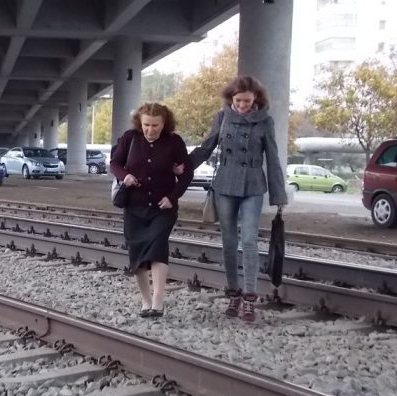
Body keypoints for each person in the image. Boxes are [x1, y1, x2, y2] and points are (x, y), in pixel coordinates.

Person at [189, 75, 288, 322]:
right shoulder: (222, 117)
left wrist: (279, 195)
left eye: (247, 100)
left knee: (250, 240)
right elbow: (207, 146)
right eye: (238, 100)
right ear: (231, 98)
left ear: (256, 99)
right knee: (229, 241)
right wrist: (183, 166)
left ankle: (249, 297)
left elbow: (273, 158)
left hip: (253, 186)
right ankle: (233, 293)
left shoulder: (265, 121)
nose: (243, 105)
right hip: (225, 185)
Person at [110, 103, 193, 318]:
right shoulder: (130, 138)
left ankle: (158, 300)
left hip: (162, 208)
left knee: (157, 247)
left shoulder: (174, 142)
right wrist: (124, 176)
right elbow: (115, 163)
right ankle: (145, 301)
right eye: (146, 124)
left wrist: (172, 197)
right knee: (137, 253)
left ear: (164, 124)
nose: (150, 129)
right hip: (134, 207)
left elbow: (187, 174)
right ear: (140, 122)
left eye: (155, 125)